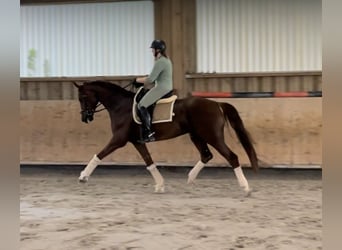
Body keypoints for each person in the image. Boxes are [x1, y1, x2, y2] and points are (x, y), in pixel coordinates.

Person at [133, 39, 173, 143]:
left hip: (162, 88)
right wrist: (143, 80)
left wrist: (137, 80)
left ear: (158, 50)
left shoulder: (160, 62)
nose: (152, 52)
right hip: (164, 87)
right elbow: (152, 77)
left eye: (153, 49)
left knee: (141, 105)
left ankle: (148, 133)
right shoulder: (165, 60)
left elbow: (151, 79)